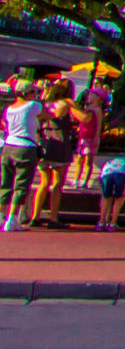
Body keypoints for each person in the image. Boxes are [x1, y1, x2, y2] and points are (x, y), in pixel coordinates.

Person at [31, 77, 77, 228]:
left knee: (43, 182)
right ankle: (53, 217)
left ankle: (35, 216)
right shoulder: (65, 104)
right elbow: (83, 118)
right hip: (60, 143)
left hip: (45, 142)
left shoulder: (45, 104)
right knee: (57, 183)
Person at [1, 81, 44, 232]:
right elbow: (49, 113)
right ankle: (12, 219)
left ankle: (1, 216)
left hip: (8, 145)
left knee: (5, 183)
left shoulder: (9, 109)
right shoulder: (32, 106)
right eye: (33, 92)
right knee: (21, 185)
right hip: (25, 147)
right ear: (27, 93)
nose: (35, 95)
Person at [70, 87, 106, 189]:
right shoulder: (87, 109)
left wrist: (96, 137)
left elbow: (98, 125)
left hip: (90, 138)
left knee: (88, 161)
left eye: (91, 95)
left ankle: (85, 181)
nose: (88, 97)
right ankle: (76, 179)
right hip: (83, 137)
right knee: (79, 159)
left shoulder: (97, 110)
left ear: (97, 98)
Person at [96, 153, 125, 231]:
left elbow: (100, 178)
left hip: (107, 173)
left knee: (106, 199)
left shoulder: (110, 161)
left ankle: (101, 223)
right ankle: (113, 224)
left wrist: (103, 193)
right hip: (122, 173)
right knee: (118, 199)